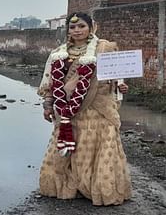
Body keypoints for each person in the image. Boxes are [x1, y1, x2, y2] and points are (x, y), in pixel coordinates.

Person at [37, 12, 132, 206]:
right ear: (68, 30)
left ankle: (96, 188)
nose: (77, 31)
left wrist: (120, 86)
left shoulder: (104, 48)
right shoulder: (58, 53)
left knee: (98, 148)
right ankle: (70, 185)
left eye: (81, 26)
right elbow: (50, 83)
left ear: (91, 27)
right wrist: (47, 105)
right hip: (68, 112)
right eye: (73, 27)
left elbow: (116, 77)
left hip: (98, 109)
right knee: (70, 148)